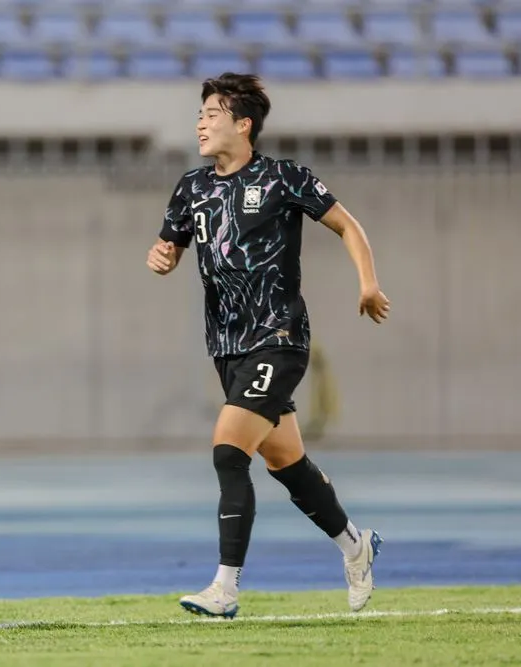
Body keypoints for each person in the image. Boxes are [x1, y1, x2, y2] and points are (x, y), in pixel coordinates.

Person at [146, 73, 389, 619]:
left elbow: (348, 227)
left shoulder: (284, 178)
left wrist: (368, 283)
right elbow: (169, 245)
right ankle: (357, 545)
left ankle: (224, 588)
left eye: (212, 112)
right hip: (226, 347)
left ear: (243, 123)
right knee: (287, 462)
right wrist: (161, 256)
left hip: (278, 337)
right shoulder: (191, 187)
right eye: (200, 113)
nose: (201, 122)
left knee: (230, 451)